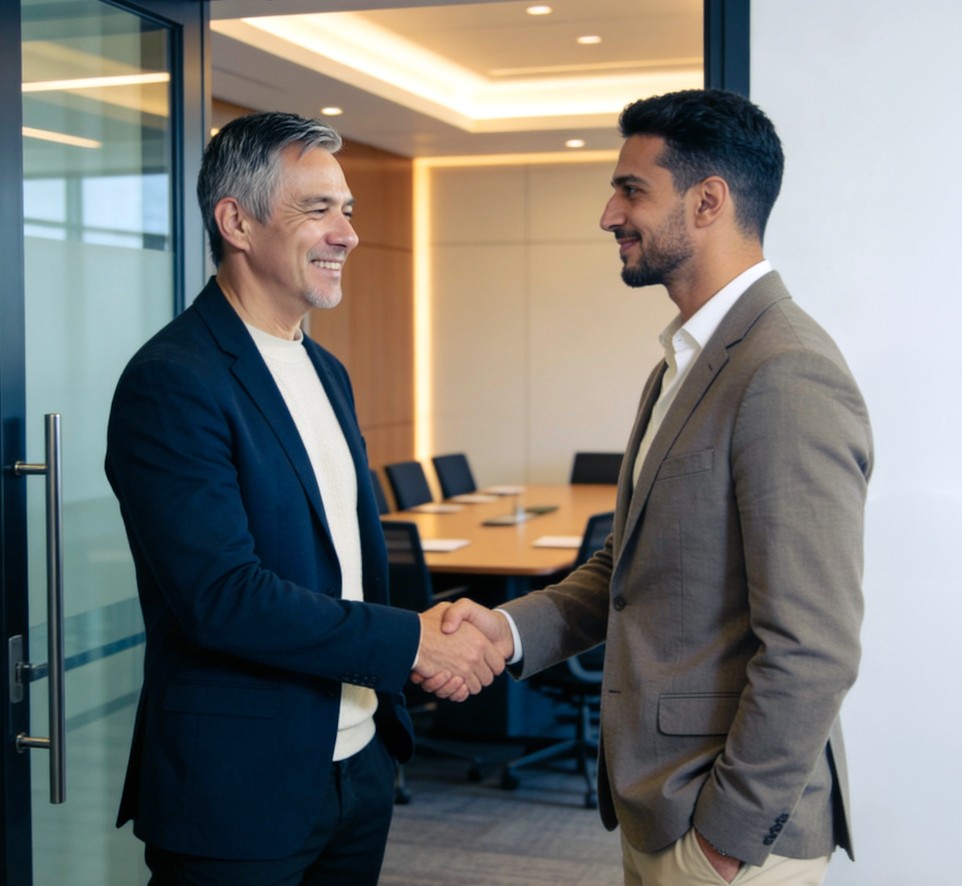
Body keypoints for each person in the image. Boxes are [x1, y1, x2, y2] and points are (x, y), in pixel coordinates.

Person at [433, 89, 873, 885]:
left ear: (709, 201)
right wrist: (503, 633)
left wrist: (725, 843)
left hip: (729, 838)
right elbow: (627, 574)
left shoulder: (786, 371)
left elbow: (814, 647)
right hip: (661, 806)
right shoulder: (685, 362)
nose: (609, 214)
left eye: (631, 189)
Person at [105, 111, 504, 886]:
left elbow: (344, 566)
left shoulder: (326, 371)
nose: (347, 233)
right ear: (237, 222)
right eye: (318, 209)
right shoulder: (173, 380)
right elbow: (222, 597)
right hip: (239, 789)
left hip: (358, 767)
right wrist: (411, 642)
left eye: (347, 209)